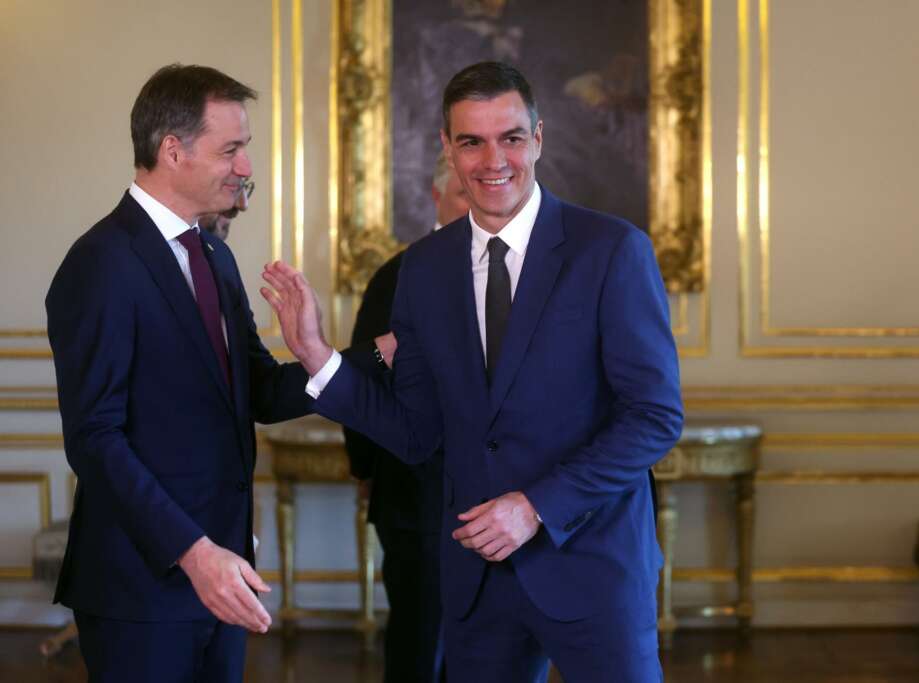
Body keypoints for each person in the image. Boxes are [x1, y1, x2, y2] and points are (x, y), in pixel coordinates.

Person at [262, 61, 683, 682]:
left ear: (539, 138)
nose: (494, 160)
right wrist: (320, 358)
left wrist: (536, 506)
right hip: (477, 581)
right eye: (472, 141)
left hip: (593, 568)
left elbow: (654, 417)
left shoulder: (612, 251)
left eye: (511, 137)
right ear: (447, 148)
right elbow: (416, 432)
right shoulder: (424, 269)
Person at [45, 64, 312, 682]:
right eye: (232, 149)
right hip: (142, 588)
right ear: (172, 150)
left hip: (224, 580)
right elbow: (95, 439)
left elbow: (261, 391)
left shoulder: (213, 254)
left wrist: (354, 357)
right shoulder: (100, 264)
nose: (246, 167)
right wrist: (194, 556)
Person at [343, 152, 469, 683]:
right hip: (417, 500)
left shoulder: (520, 272)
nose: (480, 199)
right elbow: (361, 386)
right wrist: (365, 469)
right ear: (436, 196)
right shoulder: (399, 276)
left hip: (499, 504)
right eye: (465, 190)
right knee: (420, 647)